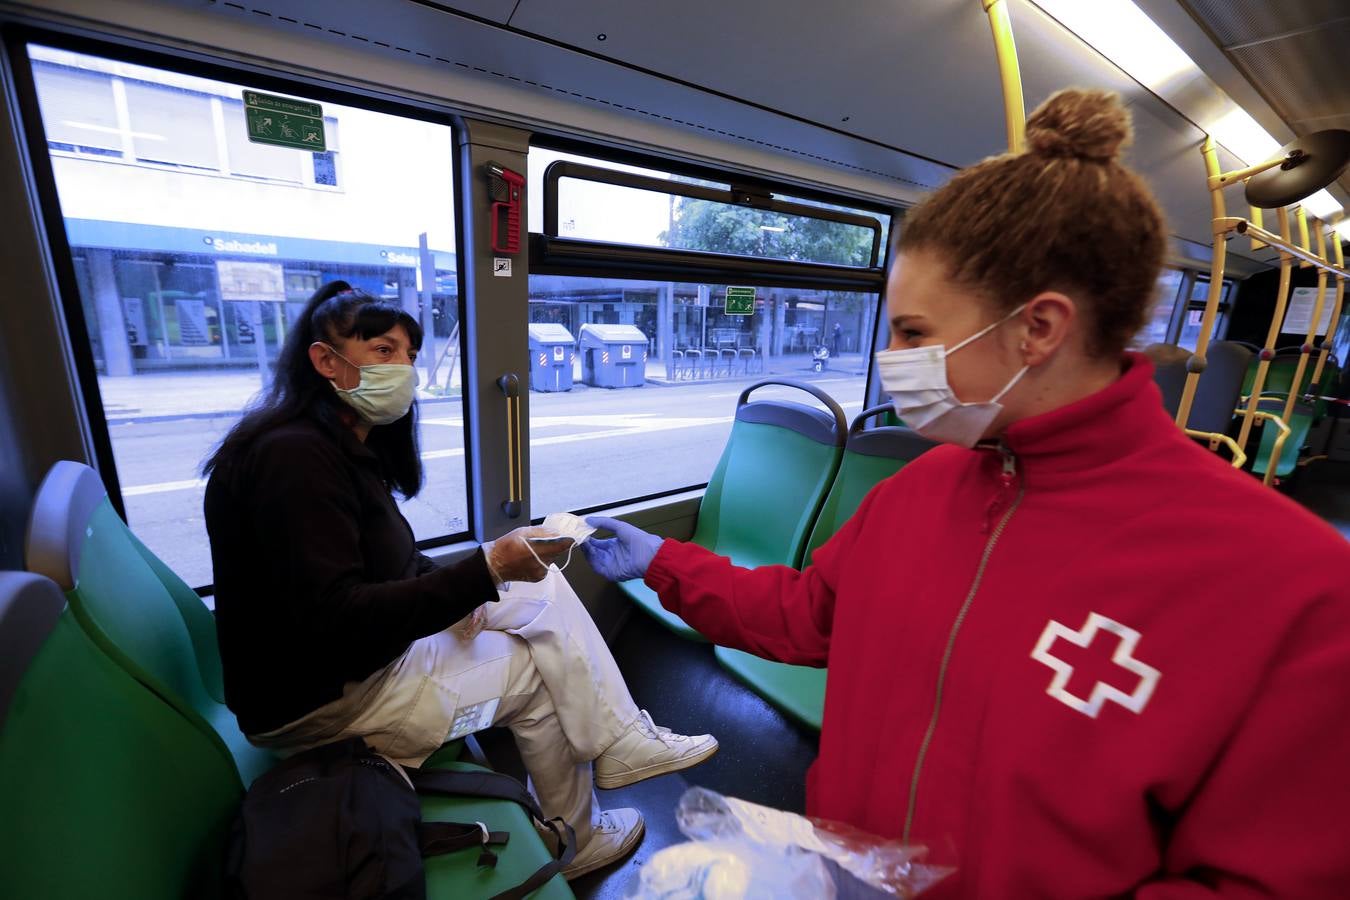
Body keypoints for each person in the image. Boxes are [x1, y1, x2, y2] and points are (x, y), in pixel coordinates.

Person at [581, 89, 1350, 897]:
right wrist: (661, 560)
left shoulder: (1286, 585)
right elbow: (807, 615)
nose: (891, 357)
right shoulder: (922, 489)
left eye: (914, 332)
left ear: (1038, 329)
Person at [203, 282, 718, 881]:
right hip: (322, 700)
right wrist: (486, 570)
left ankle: (623, 737)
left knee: (540, 589)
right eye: (381, 350)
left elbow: (382, 566)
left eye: (409, 355)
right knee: (540, 670)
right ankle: (579, 839)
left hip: (343, 665)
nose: (404, 369)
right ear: (325, 360)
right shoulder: (292, 462)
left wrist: (469, 591)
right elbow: (335, 621)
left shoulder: (329, 449)